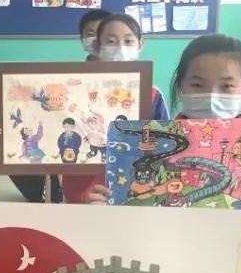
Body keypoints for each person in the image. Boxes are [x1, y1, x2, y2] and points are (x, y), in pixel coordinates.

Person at [86, 34, 241, 228]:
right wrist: (97, 210)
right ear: (182, 86)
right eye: (198, 85)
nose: (212, 95)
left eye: (227, 86)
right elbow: (116, 222)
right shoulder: (137, 147)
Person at [0, 9, 113, 203]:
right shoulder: (68, 84)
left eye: (104, 33)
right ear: (82, 40)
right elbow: (43, 119)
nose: (96, 39)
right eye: (90, 33)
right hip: (74, 185)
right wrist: (4, 131)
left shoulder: (140, 90)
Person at [56, 13, 172, 203]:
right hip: (82, 190)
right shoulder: (75, 90)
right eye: (111, 41)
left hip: (133, 189)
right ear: (97, 46)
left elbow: (165, 143)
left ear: (140, 44)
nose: (120, 48)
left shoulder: (152, 94)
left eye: (128, 41)